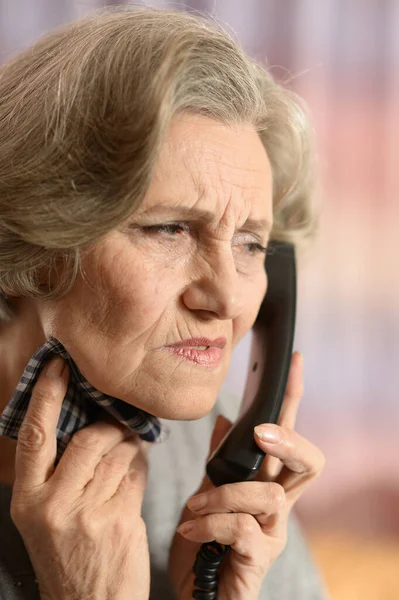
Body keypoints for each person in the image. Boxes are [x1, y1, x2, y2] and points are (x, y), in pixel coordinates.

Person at [0, 6, 328, 599]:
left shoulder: (210, 450)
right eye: (170, 230)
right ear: (35, 242)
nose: (228, 296)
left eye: (251, 243)